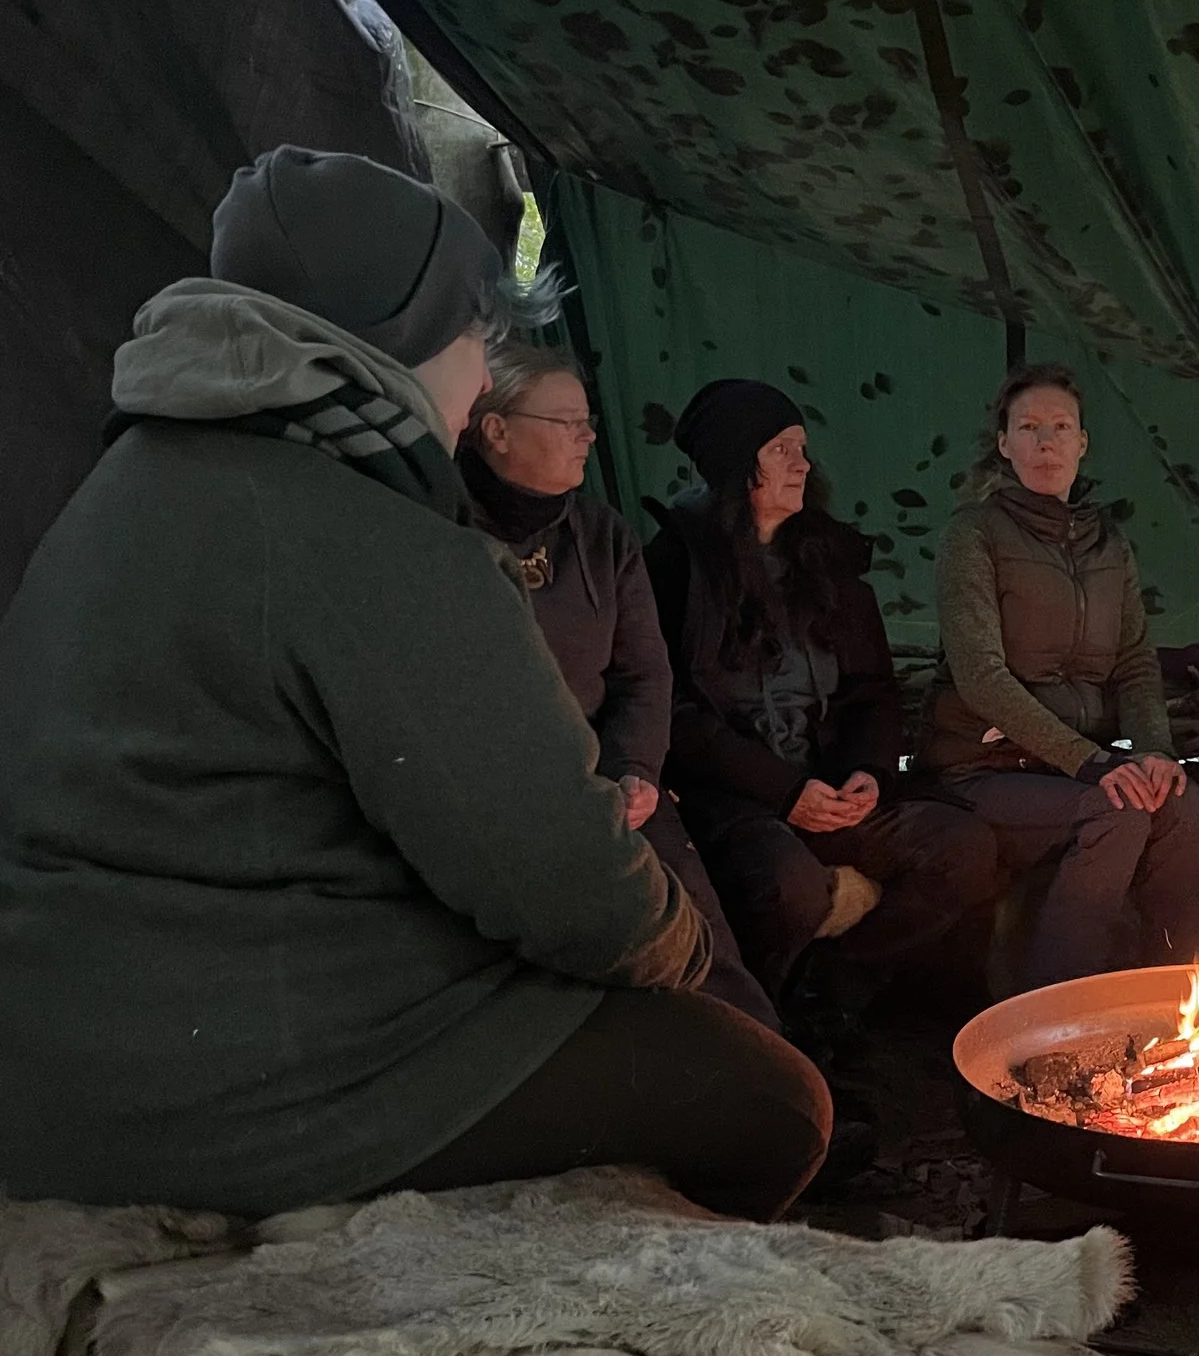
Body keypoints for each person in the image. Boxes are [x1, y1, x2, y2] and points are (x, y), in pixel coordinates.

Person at [0, 147, 830, 1224]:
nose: (484, 375)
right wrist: (680, 950)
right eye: (474, 340)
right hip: (233, 1082)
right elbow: (558, 881)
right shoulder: (366, 536)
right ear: (398, 339)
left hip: (64, 1041)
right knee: (771, 1101)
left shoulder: (122, 487)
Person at [643, 378, 1001, 1051]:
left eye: (802, 448)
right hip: (736, 803)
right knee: (789, 886)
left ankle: (836, 991)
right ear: (734, 463)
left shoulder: (826, 561)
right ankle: (757, 1030)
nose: (803, 464)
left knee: (963, 847)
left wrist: (865, 771)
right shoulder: (674, 567)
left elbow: (871, 689)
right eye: (781, 450)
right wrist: (783, 792)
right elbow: (675, 712)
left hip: (831, 788)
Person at [459, 343, 778, 1030]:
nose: (589, 436)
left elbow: (643, 672)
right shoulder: (441, 535)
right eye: (567, 421)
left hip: (613, 778)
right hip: (499, 794)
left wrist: (635, 769)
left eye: (588, 420)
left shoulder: (601, 534)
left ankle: (773, 1082)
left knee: (695, 926)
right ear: (497, 429)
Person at [926, 363, 1199, 988]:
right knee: (1116, 810)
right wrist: (1092, 762)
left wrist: (1156, 753)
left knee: (1183, 806)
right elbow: (980, 677)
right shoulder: (973, 535)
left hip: (1083, 762)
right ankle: (1054, 1015)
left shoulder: (1109, 545)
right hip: (987, 768)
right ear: (1004, 443)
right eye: (1028, 427)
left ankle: (1178, 1000)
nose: (1046, 442)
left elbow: (1136, 663)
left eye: (1061, 427)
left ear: (1083, 442)